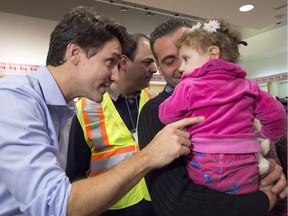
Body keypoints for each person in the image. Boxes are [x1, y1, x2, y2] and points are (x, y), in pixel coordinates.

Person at [0, 7, 203, 215]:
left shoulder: (60, 110)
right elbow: (56, 205)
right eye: (110, 62)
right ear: (74, 53)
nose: (116, 76)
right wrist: (149, 156)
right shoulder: (15, 101)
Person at [138, 17, 287, 216]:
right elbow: (175, 205)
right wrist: (261, 201)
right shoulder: (152, 111)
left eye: (186, 56)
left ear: (210, 51)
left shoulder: (243, 93)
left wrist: (272, 172)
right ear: (159, 66)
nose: (181, 67)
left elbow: (268, 147)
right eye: (170, 60)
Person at [66, 33, 158, 216]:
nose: (155, 69)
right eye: (147, 62)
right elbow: (75, 176)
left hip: (155, 207)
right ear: (123, 62)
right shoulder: (85, 110)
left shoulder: (155, 104)